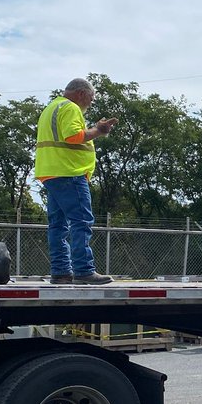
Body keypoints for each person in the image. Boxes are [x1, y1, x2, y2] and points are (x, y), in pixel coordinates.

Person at [34, 78, 117, 285]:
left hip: (51, 173)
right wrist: (99, 130)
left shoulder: (51, 107)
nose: (92, 101)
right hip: (69, 172)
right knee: (81, 222)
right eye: (92, 96)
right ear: (81, 93)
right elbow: (73, 136)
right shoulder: (70, 108)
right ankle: (83, 270)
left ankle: (61, 272)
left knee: (58, 225)